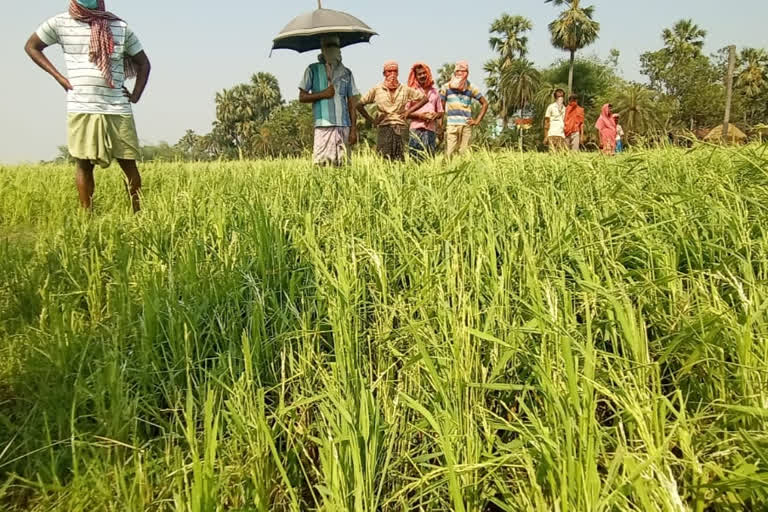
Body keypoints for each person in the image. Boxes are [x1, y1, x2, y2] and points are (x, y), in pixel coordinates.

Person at [25, 0, 151, 213]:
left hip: (117, 107)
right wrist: (60, 78)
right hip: (82, 105)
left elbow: (144, 63)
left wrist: (136, 95)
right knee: (84, 164)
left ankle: (138, 215)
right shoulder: (60, 23)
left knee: (128, 163)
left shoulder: (119, 27)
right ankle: (87, 218)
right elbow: (32, 46)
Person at [299, 35, 360, 166]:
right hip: (323, 125)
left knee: (344, 165)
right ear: (322, 49)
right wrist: (323, 94)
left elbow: (351, 102)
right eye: (328, 46)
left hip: (344, 125)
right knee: (322, 165)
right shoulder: (312, 69)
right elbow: (302, 97)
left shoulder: (346, 73)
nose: (332, 49)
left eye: (335, 46)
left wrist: (353, 129)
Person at [356, 62, 427, 161]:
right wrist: (372, 120)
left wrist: (408, 112)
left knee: (400, 158)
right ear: (384, 73)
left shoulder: (404, 89)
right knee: (383, 158)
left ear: (398, 73)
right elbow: (359, 105)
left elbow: (424, 99)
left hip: (400, 126)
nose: (392, 74)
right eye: (389, 71)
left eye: (395, 71)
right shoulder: (377, 89)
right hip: (384, 126)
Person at [440, 61, 489, 158]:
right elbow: (441, 108)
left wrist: (477, 121)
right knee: (449, 153)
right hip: (452, 124)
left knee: (464, 154)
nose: (461, 73)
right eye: (458, 71)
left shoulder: (471, 87)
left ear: (467, 73)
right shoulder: (446, 87)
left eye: (464, 71)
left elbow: (485, 103)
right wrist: (440, 125)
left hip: (466, 125)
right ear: (455, 72)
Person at [406, 63, 444, 160]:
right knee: (414, 158)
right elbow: (406, 113)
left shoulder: (435, 91)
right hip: (416, 130)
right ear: (416, 76)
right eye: (419, 74)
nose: (422, 76)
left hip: (431, 130)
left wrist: (435, 115)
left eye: (424, 73)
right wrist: (420, 116)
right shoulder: (411, 91)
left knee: (429, 158)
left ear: (428, 74)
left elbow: (441, 112)